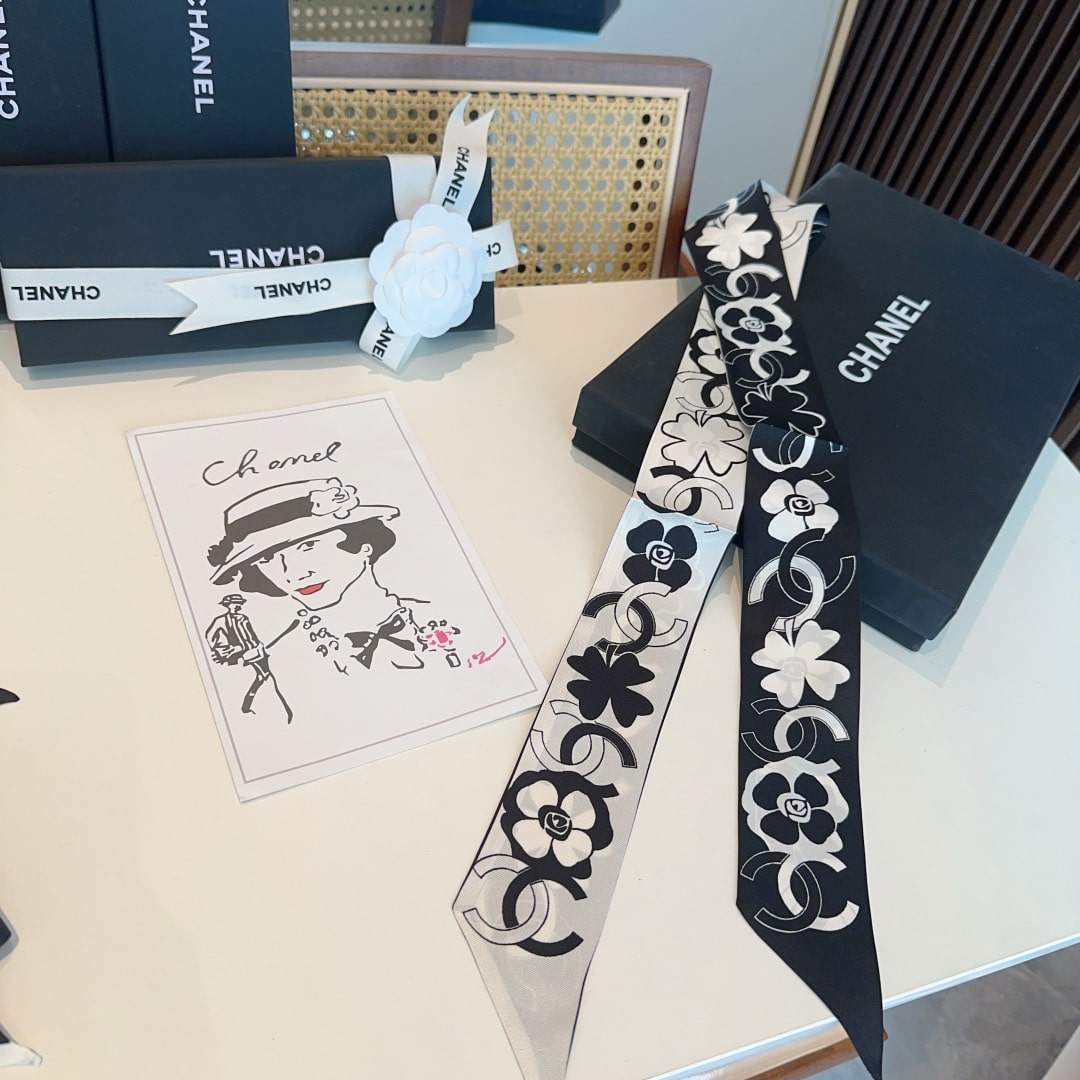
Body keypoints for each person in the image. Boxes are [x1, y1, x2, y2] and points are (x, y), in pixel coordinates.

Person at [205, 478, 449, 675]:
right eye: (267, 559)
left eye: (308, 546)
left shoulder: (441, 611)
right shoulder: (283, 661)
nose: (294, 575)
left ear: (363, 544)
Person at [203, 594, 293, 722]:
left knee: (263, 677)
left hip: (256, 651)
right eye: (234, 603)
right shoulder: (221, 620)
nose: (237, 606)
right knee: (266, 677)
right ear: (228, 605)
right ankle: (253, 707)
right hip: (243, 653)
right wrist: (225, 650)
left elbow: (251, 635)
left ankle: (247, 706)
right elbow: (210, 636)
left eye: (239, 603)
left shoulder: (243, 618)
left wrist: (258, 645)